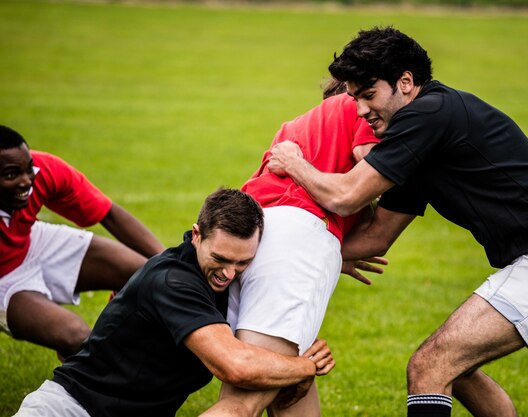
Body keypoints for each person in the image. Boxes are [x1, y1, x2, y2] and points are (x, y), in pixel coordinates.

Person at [267, 26, 528, 417]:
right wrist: (309, 256)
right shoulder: (416, 142)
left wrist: (294, 162)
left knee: (430, 366)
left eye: (368, 95)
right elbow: (376, 238)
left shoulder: (431, 113)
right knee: (456, 369)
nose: (359, 110)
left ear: (406, 82)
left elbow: (346, 196)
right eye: (355, 97)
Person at [13, 188, 335, 417]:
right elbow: (236, 367)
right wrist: (307, 366)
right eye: (220, 258)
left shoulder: (219, 275)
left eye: (242, 263)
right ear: (197, 235)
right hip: (70, 409)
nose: (228, 273)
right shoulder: (173, 282)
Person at [203, 79, 385, 417]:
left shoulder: (295, 127)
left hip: (255, 236)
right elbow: (372, 162)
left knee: (288, 379)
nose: (369, 112)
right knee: (243, 400)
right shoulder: (357, 107)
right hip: (298, 241)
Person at [0, 125, 164, 360]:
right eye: (10, 175)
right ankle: (85, 382)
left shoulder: (43, 168)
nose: (26, 181)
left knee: (147, 275)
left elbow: (108, 213)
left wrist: (173, 265)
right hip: (4, 277)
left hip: (31, 239)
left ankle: (121, 357)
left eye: (28, 169)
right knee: (76, 338)